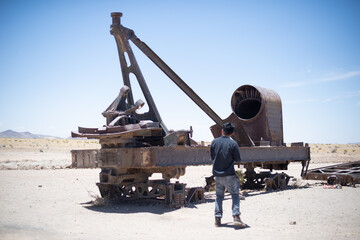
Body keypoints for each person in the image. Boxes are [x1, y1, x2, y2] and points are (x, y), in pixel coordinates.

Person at [210, 122, 246, 228]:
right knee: (235, 195)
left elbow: (212, 157)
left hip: (217, 175)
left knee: (219, 197)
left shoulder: (214, 142)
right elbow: (238, 159)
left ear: (222, 131)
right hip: (229, 174)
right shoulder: (233, 144)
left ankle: (217, 219)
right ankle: (236, 217)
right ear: (232, 133)